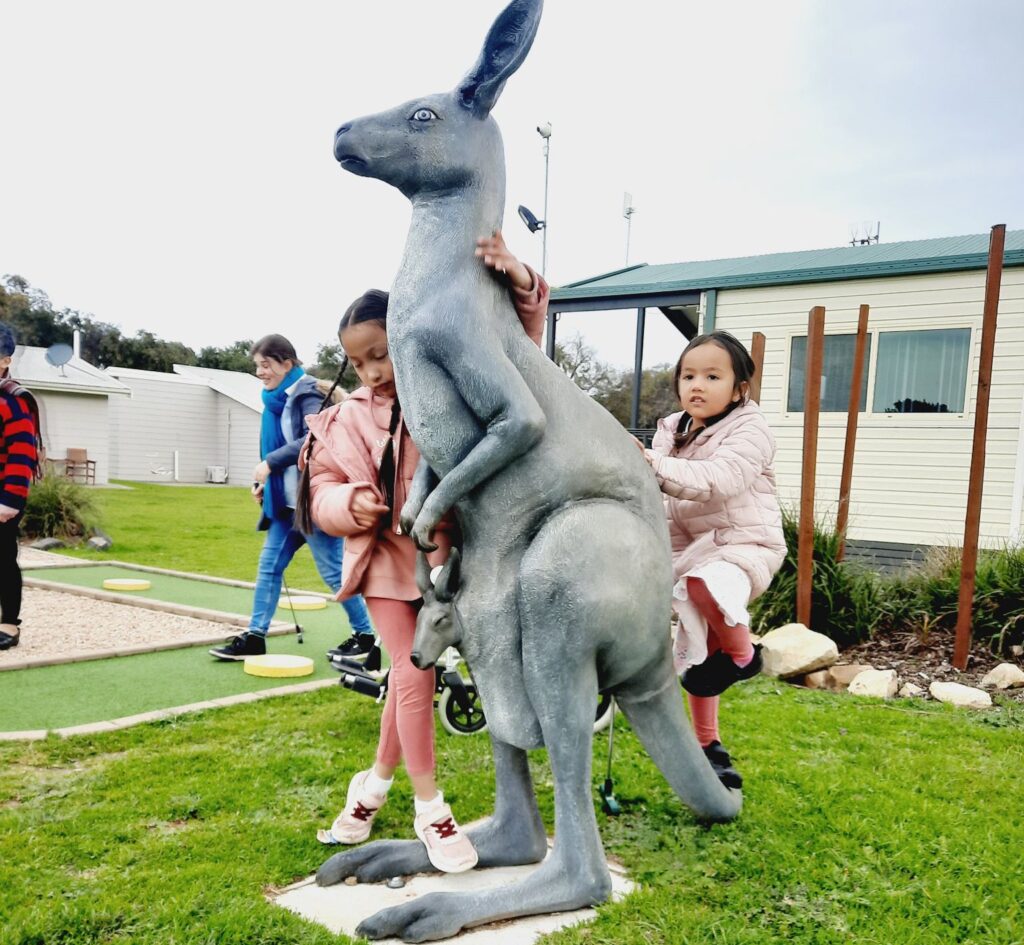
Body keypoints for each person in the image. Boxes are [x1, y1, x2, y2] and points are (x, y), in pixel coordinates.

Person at [298, 232, 548, 872]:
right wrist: (348, 504)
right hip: (383, 562)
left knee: (409, 682)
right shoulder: (343, 418)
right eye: (360, 362)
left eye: (381, 354)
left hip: (444, 561)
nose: (375, 371)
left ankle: (370, 792)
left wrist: (523, 285)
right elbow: (321, 487)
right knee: (412, 673)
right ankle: (430, 808)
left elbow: (512, 354)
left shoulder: (441, 390)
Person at [642, 330, 785, 789]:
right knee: (700, 660)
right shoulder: (673, 429)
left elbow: (718, 480)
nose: (696, 385)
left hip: (741, 545)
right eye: (688, 376)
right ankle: (708, 748)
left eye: (711, 376)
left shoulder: (751, 429)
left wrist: (650, 465)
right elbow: (654, 492)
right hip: (688, 554)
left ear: (740, 389)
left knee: (705, 587)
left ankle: (745, 657)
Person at [209, 334, 373, 661]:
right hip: (286, 507)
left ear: (287, 363)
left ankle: (365, 635)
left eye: (266, 365)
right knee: (269, 567)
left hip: (313, 503)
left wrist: (270, 464)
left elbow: (313, 437)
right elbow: (280, 445)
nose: (260, 372)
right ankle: (256, 637)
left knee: (333, 571)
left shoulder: (309, 394)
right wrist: (265, 484)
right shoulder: (274, 399)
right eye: (257, 365)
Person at [0, 322, 39, 651]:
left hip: (4, 496)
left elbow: (22, 454)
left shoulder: (13, 401)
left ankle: (9, 624)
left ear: (5, 361)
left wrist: (9, 501)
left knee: (3, 559)